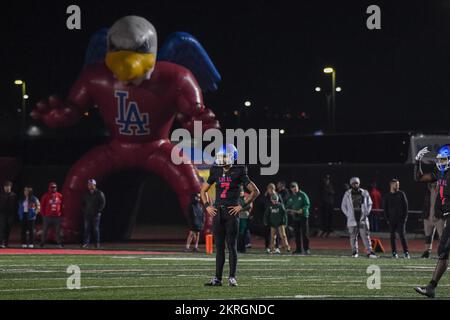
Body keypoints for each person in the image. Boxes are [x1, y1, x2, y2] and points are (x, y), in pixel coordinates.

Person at [201, 144, 260, 287]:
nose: (221, 159)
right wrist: (207, 206)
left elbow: (255, 191)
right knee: (219, 247)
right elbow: (203, 191)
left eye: (224, 157)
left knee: (231, 246)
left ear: (232, 157)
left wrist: (241, 205)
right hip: (218, 212)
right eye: (220, 156)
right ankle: (218, 278)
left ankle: (232, 277)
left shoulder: (239, 170)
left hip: (231, 213)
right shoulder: (215, 170)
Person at [414, 145, 450, 298]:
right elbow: (419, 177)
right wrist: (417, 161)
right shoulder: (440, 173)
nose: (441, 162)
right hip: (447, 216)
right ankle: (431, 287)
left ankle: (431, 287)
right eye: (439, 159)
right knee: (443, 252)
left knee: (443, 251)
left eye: (444, 159)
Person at [341, 177, 377, 258]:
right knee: (353, 236)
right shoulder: (347, 194)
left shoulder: (364, 192)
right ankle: (354, 252)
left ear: (359, 183)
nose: (355, 184)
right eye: (353, 183)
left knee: (366, 236)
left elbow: (370, 204)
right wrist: (348, 214)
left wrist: (366, 212)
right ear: (351, 184)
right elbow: (343, 206)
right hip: (352, 219)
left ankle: (369, 252)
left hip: (362, 218)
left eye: (356, 183)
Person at [383, 179, 410, 259]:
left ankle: (406, 253)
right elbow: (385, 208)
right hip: (391, 220)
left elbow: (406, 207)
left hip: (401, 219)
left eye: (398, 184)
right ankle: (394, 253)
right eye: (396, 184)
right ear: (391, 185)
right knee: (392, 236)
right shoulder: (387, 196)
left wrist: (405, 218)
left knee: (402, 235)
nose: (397, 186)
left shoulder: (401, 194)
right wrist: (387, 219)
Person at [286, 182, 311, 255]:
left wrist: (302, 210)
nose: (294, 188)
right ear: (291, 189)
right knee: (296, 234)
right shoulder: (291, 197)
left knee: (305, 233)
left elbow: (307, 204)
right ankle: (298, 249)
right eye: (292, 187)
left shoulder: (303, 195)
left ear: (297, 187)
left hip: (303, 216)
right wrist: (289, 211)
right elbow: (287, 206)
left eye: (295, 187)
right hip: (295, 217)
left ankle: (306, 249)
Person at [421, 182, 444, 258]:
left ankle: (442, 252)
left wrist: (440, 214)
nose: (433, 183)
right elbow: (425, 204)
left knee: (442, 236)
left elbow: (445, 204)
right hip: (428, 217)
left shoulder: (442, 191)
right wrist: (424, 215)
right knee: (428, 236)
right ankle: (427, 251)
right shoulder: (428, 191)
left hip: (438, 218)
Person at [81, 179, 106, 249]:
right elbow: (82, 203)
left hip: (96, 215)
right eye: (89, 184)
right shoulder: (86, 193)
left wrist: (99, 211)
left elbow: (103, 203)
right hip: (87, 214)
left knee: (96, 229)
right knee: (86, 229)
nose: (90, 186)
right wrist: (85, 211)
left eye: (92, 184)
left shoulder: (99, 193)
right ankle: (86, 243)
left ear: (94, 185)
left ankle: (97, 243)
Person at [40, 182, 63, 248]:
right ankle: (42, 243)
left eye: (55, 187)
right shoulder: (45, 196)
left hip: (57, 217)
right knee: (45, 230)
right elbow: (42, 206)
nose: (53, 188)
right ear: (49, 188)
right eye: (52, 187)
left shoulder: (59, 195)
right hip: (47, 217)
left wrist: (61, 213)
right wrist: (43, 215)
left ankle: (59, 243)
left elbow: (61, 205)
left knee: (58, 231)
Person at [0, 181, 18, 248]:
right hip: (2, 214)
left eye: (8, 187)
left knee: (8, 229)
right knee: (2, 228)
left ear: (10, 187)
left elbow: (16, 206)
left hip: (11, 214)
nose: (6, 188)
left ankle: (6, 243)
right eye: (5, 187)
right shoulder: (1, 195)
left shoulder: (14, 195)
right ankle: (1, 242)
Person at [237, 189, 252, 253]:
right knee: (239, 233)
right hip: (239, 217)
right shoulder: (237, 199)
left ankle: (242, 248)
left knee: (243, 233)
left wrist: (241, 208)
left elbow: (249, 206)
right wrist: (243, 207)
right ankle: (239, 248)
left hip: (245, 217)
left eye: (242, 192)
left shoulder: (246, 198)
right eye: (240, 192)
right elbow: (237, 207)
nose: (241, 193)